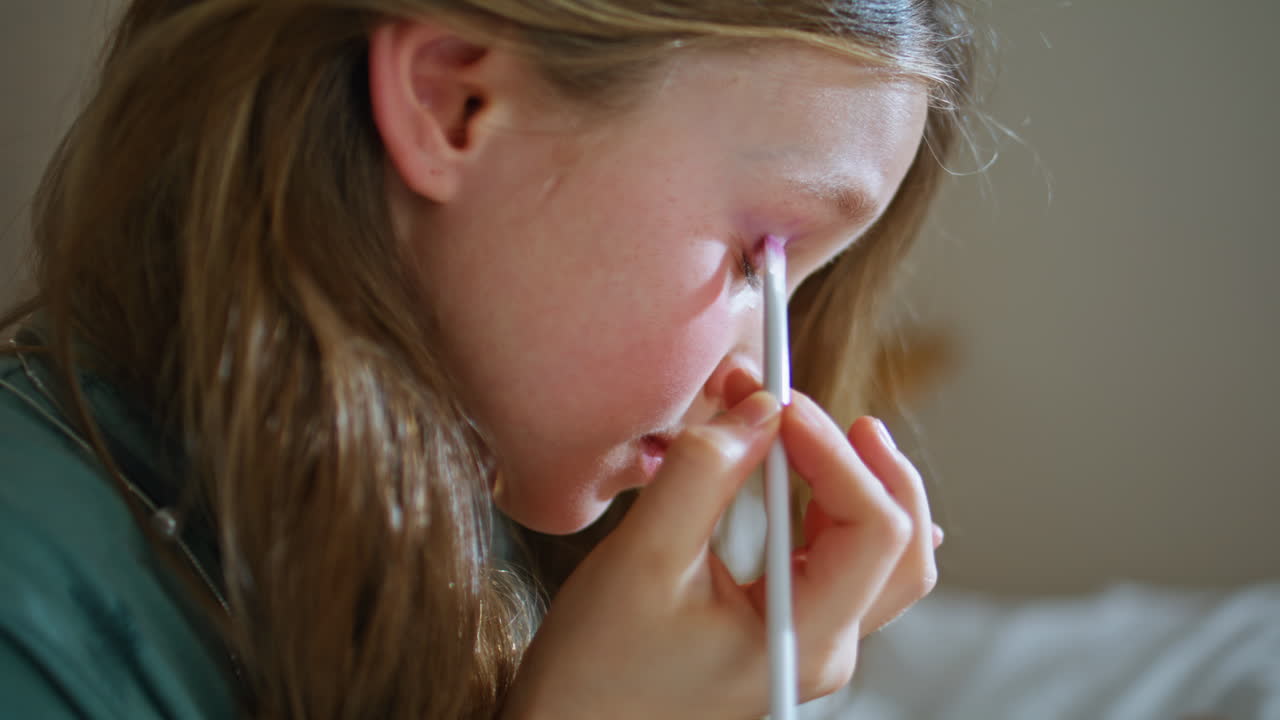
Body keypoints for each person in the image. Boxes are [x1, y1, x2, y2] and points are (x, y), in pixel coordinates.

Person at [0, 0, 977, 717]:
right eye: (752, 263)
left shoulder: (481, 524)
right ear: (451, 102)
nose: (762, 382)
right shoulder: (33, 610)